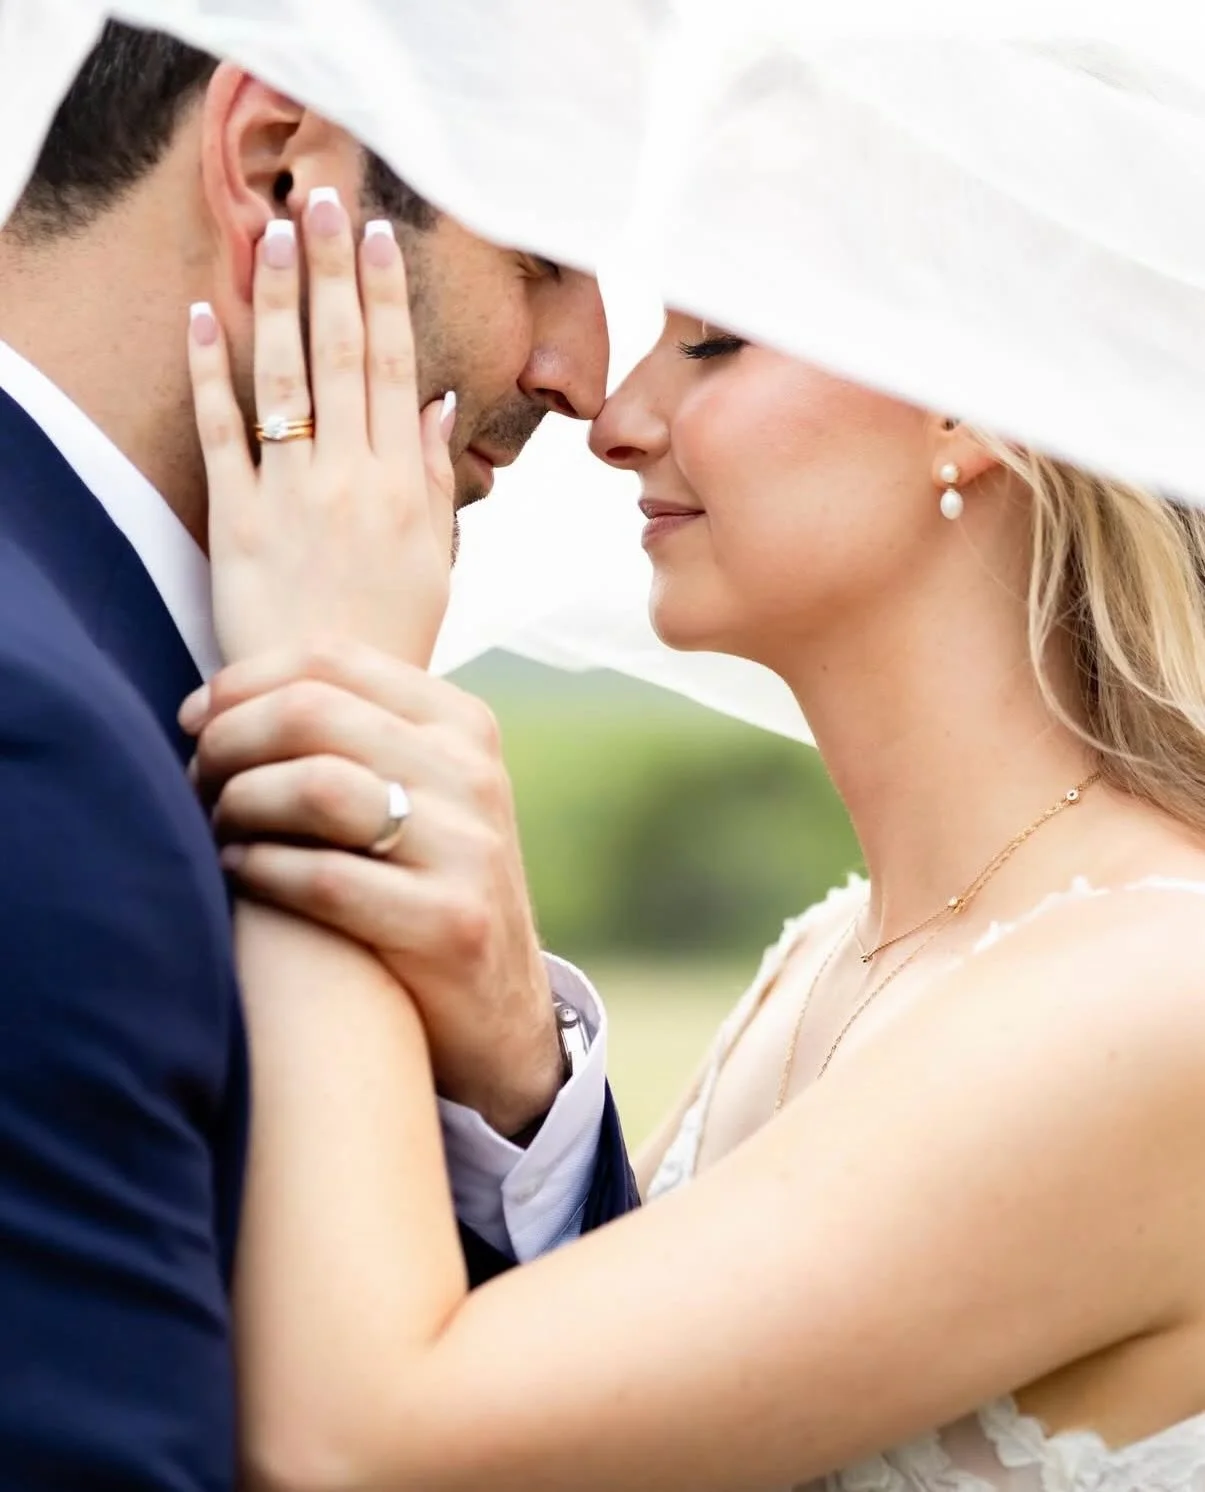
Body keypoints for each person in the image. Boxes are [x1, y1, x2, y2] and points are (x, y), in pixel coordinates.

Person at [189, 202, 1205, 1486]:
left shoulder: (1149, 997)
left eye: (713, 344)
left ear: (969, 401)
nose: (615, 422)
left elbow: (362, 1444)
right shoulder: (825, 957)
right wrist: (510, 1052)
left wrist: (324, 688)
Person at [0, 20, 637, 1489]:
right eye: (543, 253)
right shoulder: (37, 747)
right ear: (281, 169)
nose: (587, 375)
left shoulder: (117, 677)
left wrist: (514, 1090)